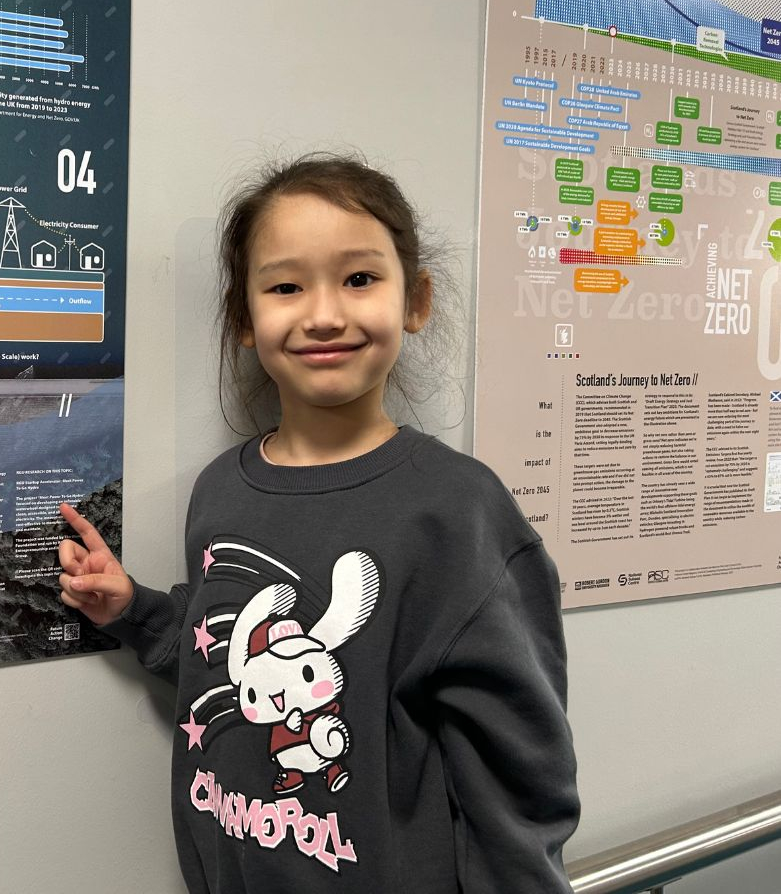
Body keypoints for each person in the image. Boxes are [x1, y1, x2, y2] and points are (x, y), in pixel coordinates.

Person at [58, 153, 579, 893]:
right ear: (245, 318)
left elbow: (519, 763)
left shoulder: (455, 510)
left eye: (360, 278)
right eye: (284, 286)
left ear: (416, 300)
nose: (324, 312)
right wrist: (134, 611)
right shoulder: (219, 493)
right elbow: (225, 661)